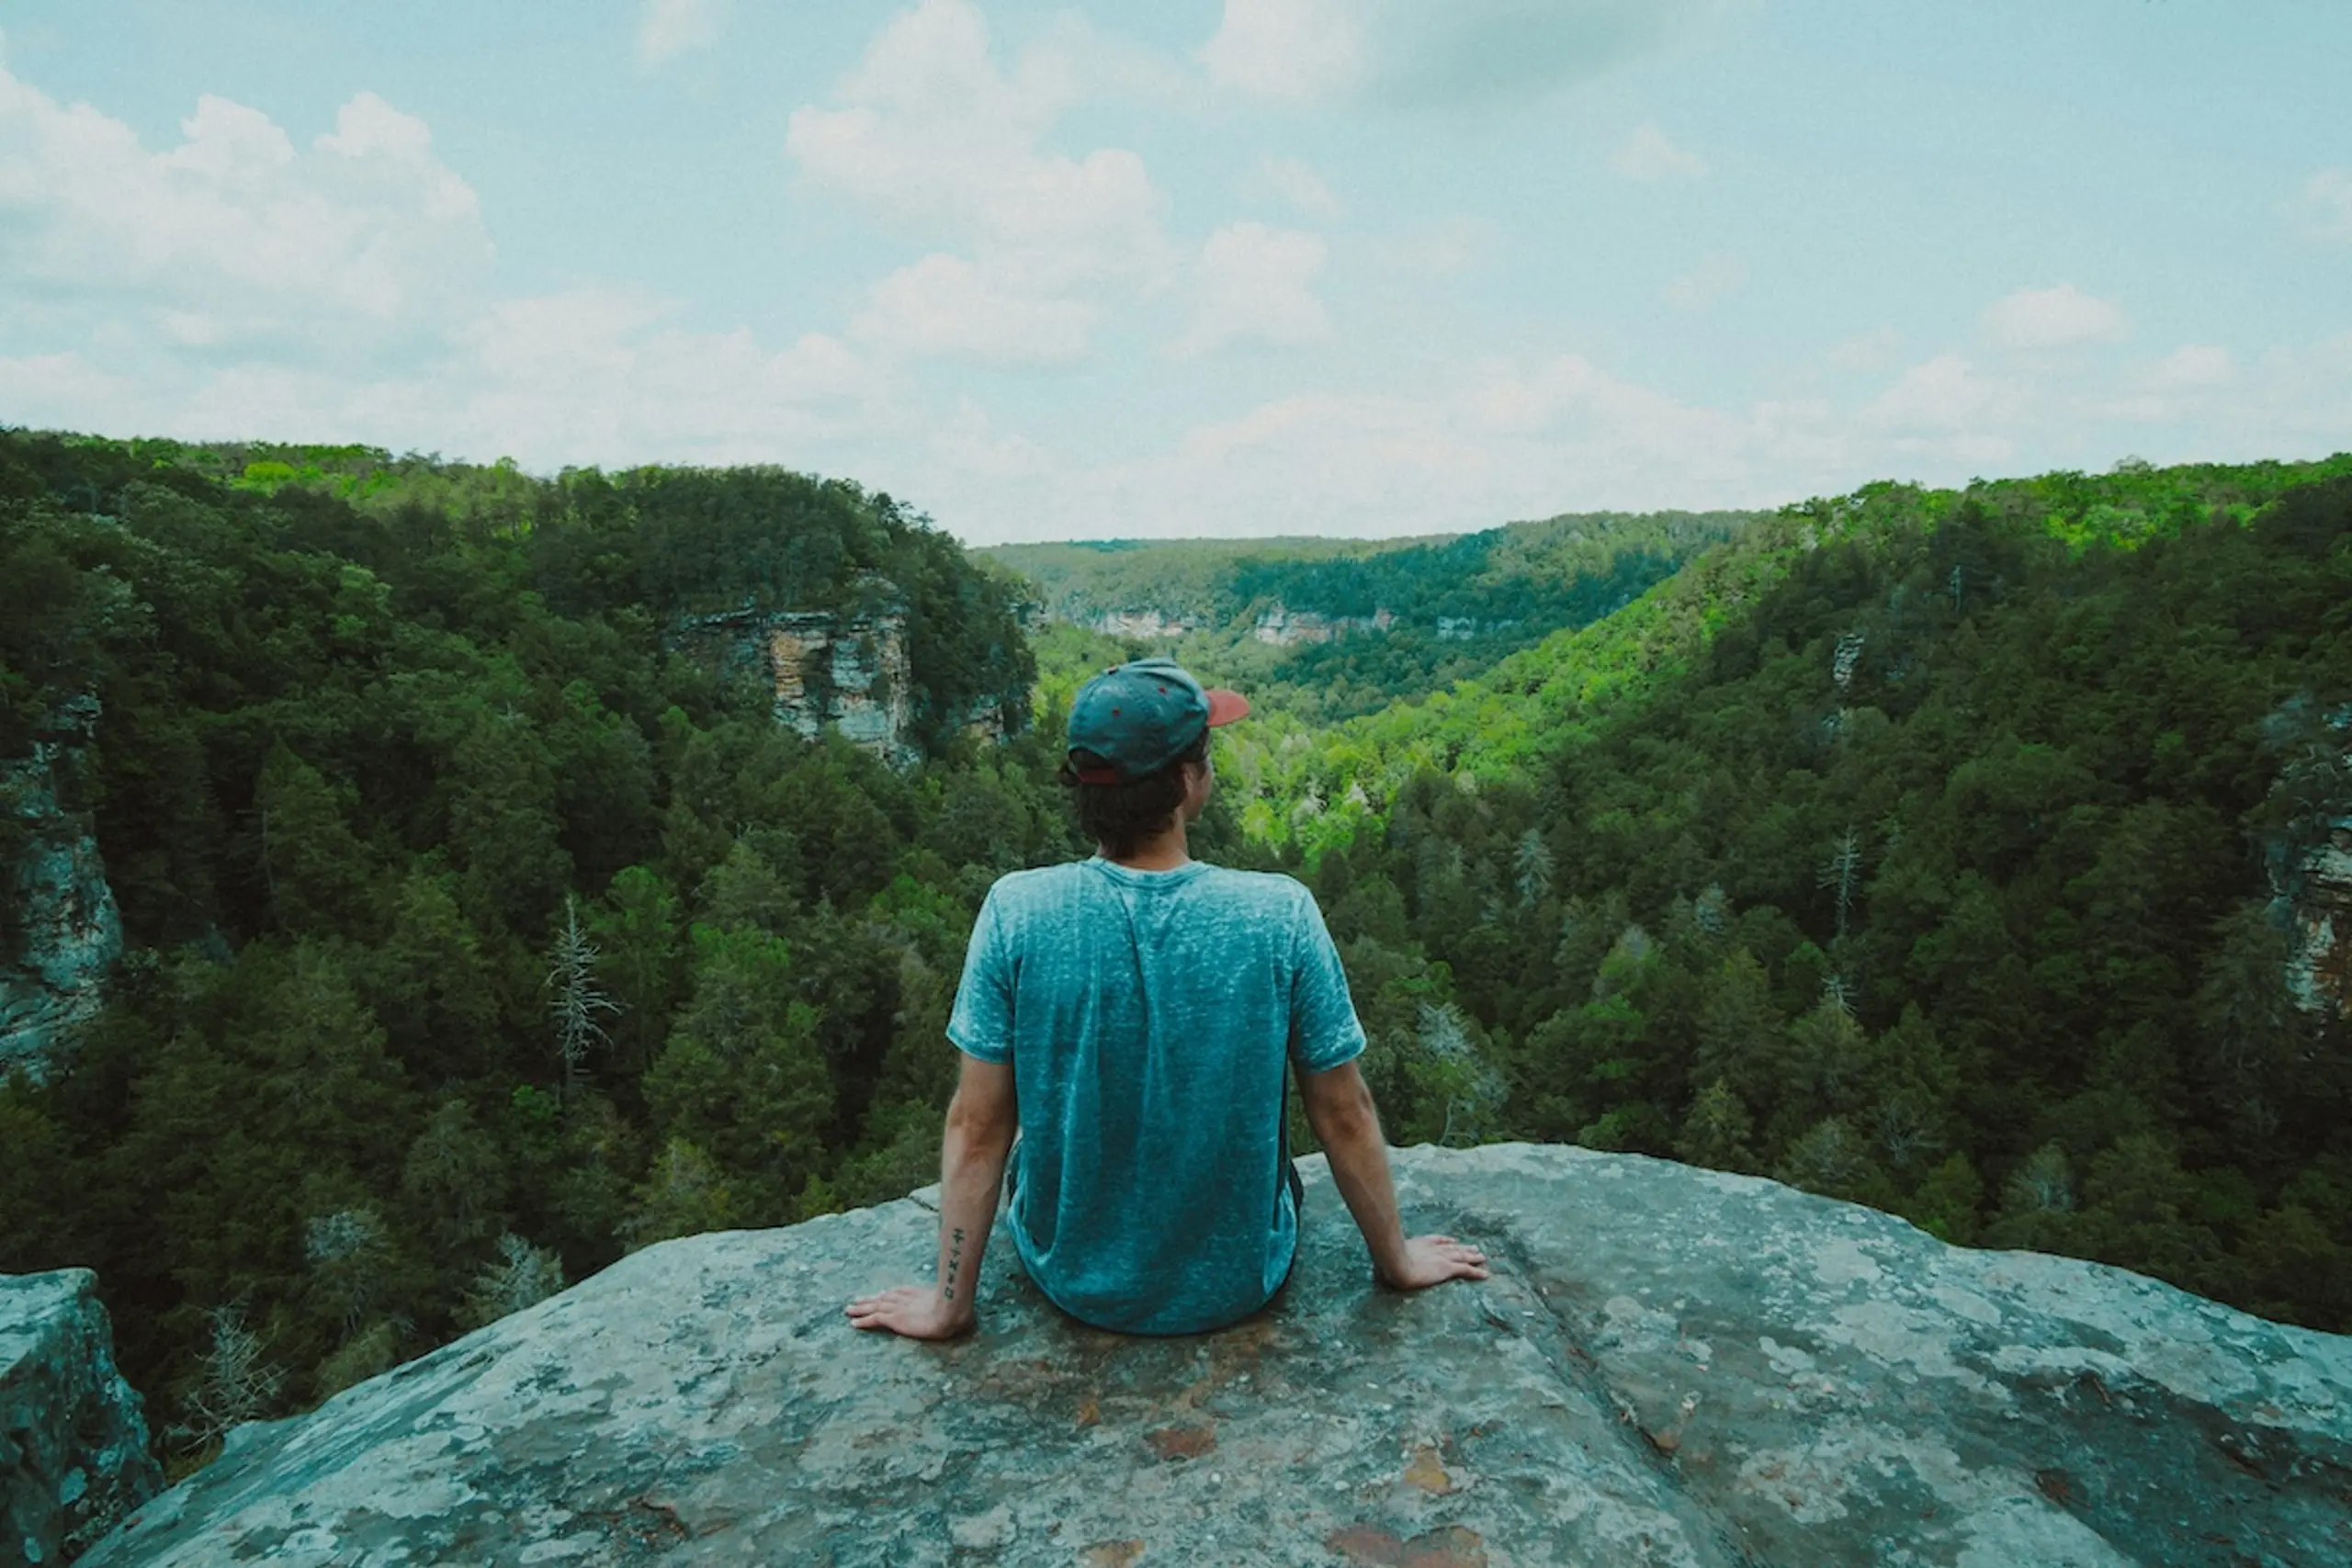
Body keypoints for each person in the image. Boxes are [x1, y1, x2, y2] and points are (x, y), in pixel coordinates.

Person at [845, 657, 1487, 1341]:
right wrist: (1398, 1260)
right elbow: (1343, 1111)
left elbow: (979, 1125)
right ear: (1186, 782)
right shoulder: (1277, 913)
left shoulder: (1017, 910)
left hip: (1071, 1278)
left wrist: (948, 1304)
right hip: (1240, 1282)